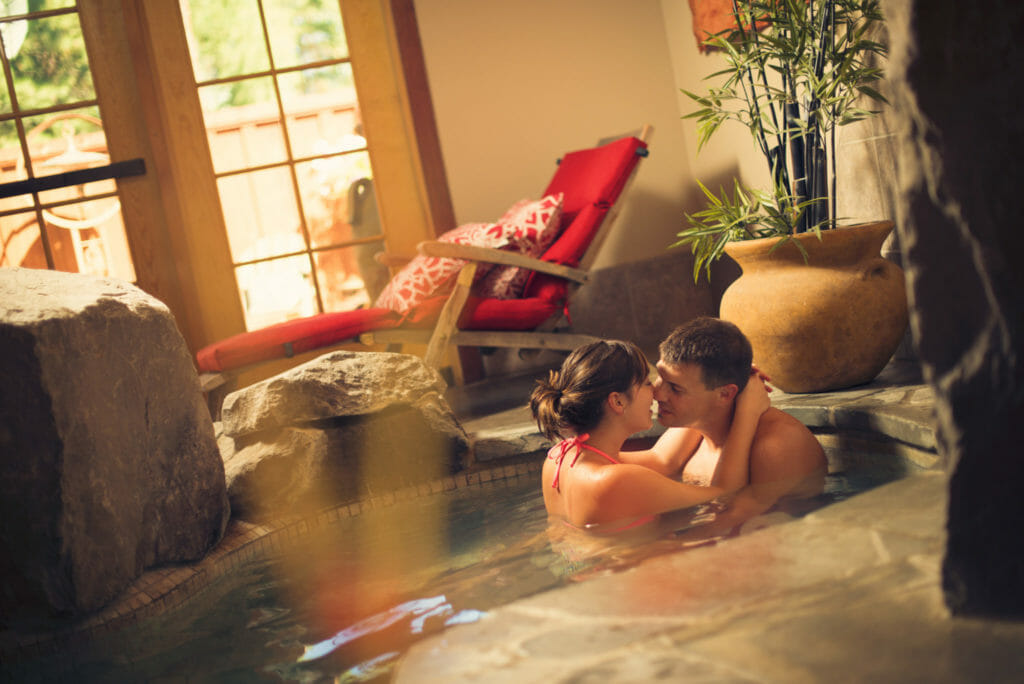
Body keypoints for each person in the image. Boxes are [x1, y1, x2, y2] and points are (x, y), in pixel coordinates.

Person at [529, 339, 770, 531]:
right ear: (618, 401)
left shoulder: (559, 457)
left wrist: (709, 385)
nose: (655, 392)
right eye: (645, 383)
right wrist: (748, 412)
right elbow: (726, 493)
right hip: (639, 581)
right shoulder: (616, 481)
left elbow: (663, 460)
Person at [622, 317, 827, 538]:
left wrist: (644, 554)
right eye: (660, 378)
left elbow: (733, 520)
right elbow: (658, 462)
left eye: (675, 388)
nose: (658, 393)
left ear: (725, 394)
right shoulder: (695, 422)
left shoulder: (777, 445)